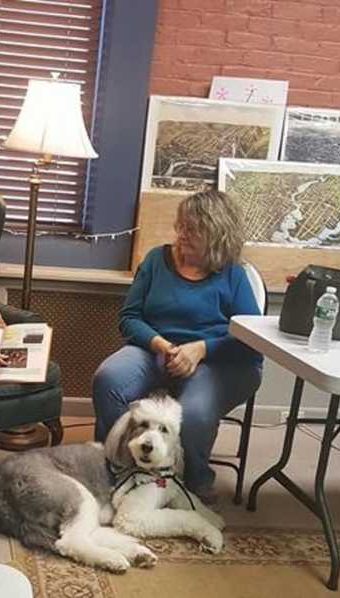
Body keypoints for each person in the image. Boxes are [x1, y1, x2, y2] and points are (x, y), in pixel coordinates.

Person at [92, 190, 263, 502]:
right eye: (181, 226)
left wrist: (201, 349)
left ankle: (193, 482)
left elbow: (253, 340)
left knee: (194, 413)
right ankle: (116, 468)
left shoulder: (234, 275)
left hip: (217, 361)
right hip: (155, 349)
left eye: (192, 230)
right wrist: (160, 344)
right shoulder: (157, 260)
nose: (181, 235)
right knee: (109, 379)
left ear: (216, 235)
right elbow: (129, 317)